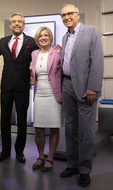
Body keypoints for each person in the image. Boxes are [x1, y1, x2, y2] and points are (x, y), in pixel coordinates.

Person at [59, 4, 104, 187]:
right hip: (67, 85)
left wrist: (93, 87)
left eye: (70, 13)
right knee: (70, 128)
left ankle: (85, 170)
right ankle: (73, 164)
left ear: (78, 15)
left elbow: (97, 60)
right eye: (63, 15)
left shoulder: (91, 31)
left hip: (86, 88)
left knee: (86, 131)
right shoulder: (64, 37)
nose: (67, 17)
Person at [0, 13, 38, 164]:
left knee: (21, 121)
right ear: (10, 25)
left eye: (20, 21)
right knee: (4, 120)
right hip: (6, 86)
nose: (17, 24)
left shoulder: (31, 42)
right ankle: (5, 151)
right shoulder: (3, 41)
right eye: (14, 21)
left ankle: (19, 152)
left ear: (24, 25)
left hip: (22, 86)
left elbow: (44, 52)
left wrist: (56, 48)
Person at [30, 27, 62, 172]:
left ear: (50, 37)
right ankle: (41, 156)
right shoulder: (34, 54)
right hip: (39, 94)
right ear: (37, 38)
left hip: (53, 94)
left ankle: (51, 158)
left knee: (54, 128)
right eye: (41, 36)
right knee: (38, 129)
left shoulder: (57, 52)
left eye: (46, 35)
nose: (43, 38)